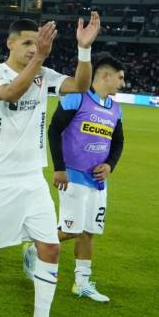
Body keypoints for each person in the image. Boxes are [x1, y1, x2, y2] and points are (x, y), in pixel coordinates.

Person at [0, 13, 101, 317]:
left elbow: (82, 86)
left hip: (32, 179)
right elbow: (11, 93)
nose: (31, 49)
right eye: (25, 43)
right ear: (9, 43)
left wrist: (84, 50)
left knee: (50, 247)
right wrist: (39, 56)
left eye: (35, 43)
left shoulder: (44, 75)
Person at [47, 54, 126, 303]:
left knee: (89, 232)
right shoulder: (75, 99)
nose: (122, 84)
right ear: (105, 75)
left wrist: (109, 166)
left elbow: (118, 142)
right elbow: (54, 130)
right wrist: (59, 168)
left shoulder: (115, 109)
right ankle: (36, 246)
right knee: (71, 230)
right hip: (73, 177)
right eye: (120, 78)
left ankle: (81, 283)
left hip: (98, 182)